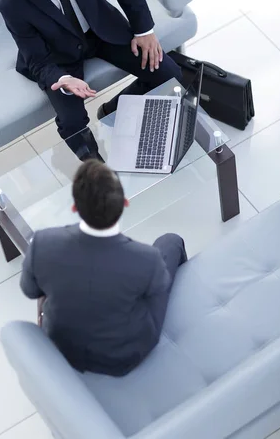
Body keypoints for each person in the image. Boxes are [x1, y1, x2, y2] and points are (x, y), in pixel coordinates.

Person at [0, 0, 182, 161]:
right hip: (57, 57)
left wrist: (143, 30)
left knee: (169, 74)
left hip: (102, 31)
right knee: (73, 122)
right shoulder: (11, 2)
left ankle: (113, 111)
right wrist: (63, 79)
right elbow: (38, 61)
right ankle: (100, 174)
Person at [20, 159, 187, 377]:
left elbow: (29, 290)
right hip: (123, 357)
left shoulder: (42, 243)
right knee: (170, 241)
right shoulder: (147, 259)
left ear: (74, 207)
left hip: (65, 350)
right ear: (125, 204)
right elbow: (160, 287)